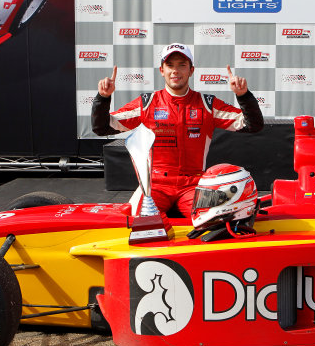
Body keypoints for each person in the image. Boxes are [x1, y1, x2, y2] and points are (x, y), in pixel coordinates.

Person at [92, 43, 264, 218]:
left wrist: (243, 96)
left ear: (191, 70)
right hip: (155, 185)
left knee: (214, 221)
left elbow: (252, 125)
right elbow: (103, 127)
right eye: (170, 65)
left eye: (182, 65)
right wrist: (103, 98)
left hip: (194, 184)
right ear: (162, 70)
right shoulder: (147, 103)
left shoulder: (207, 104)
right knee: (136, 221)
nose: (175, 70)